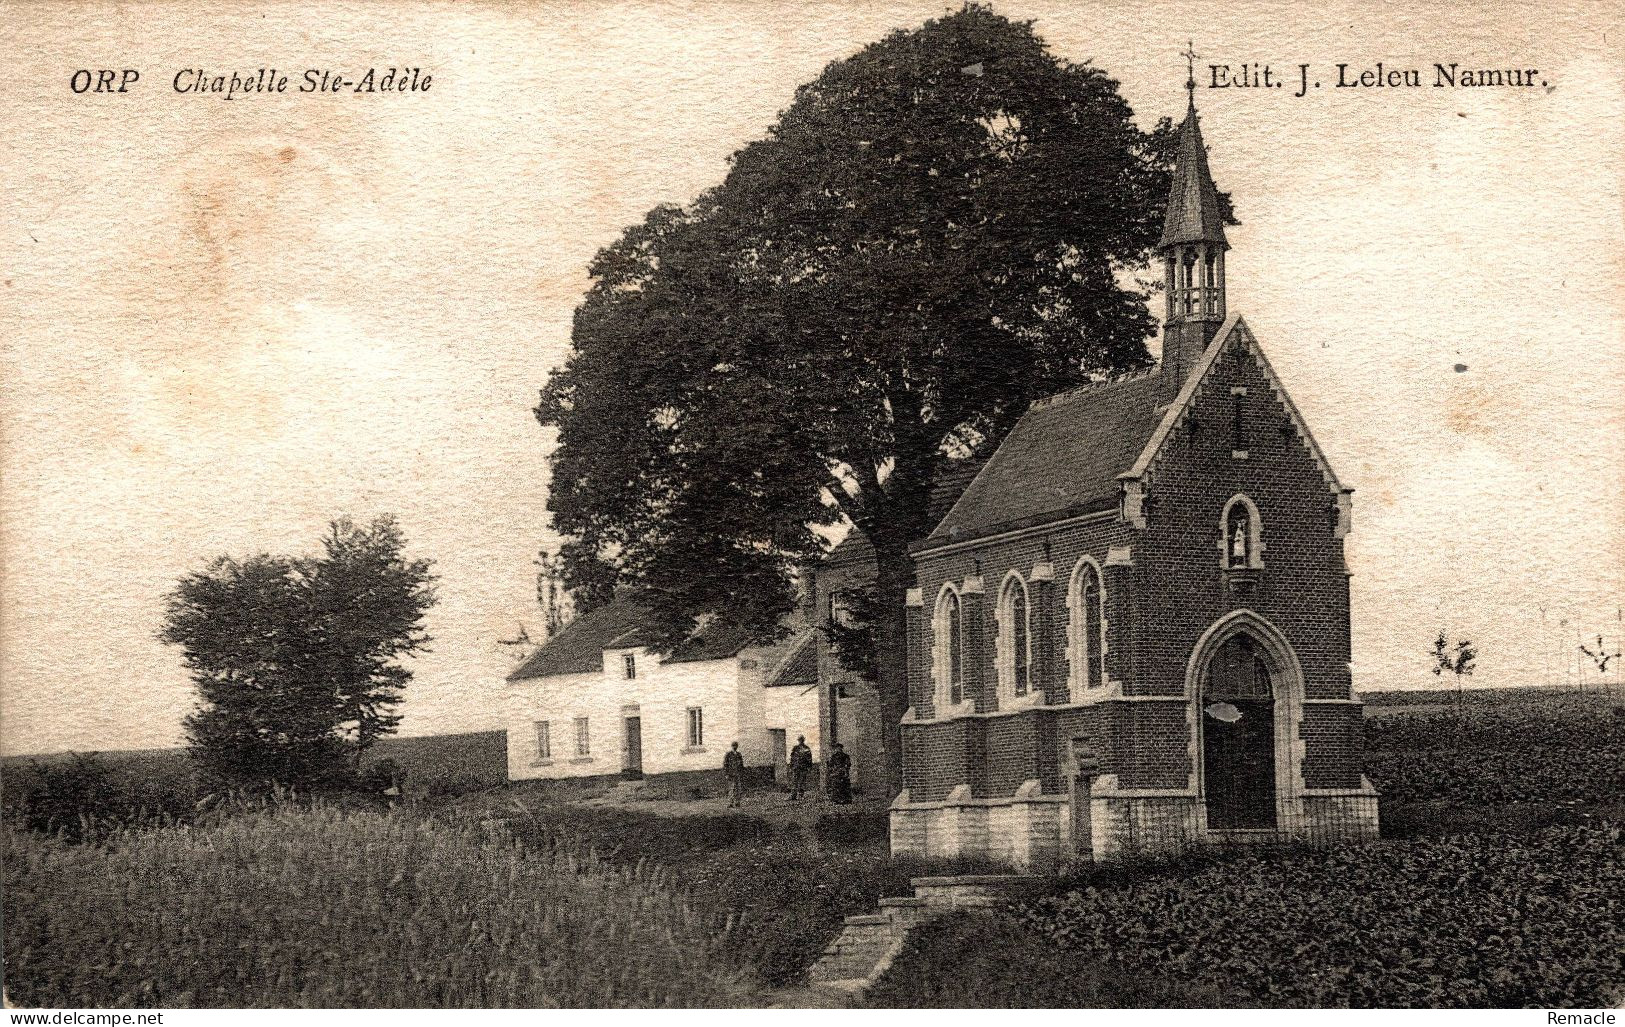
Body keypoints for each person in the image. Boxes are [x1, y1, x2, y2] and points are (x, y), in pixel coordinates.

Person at [787, 735, 814, 801]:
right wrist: (791, 766)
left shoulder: (806, 748)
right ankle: (793, 796)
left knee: (802, 782)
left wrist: (809, 767)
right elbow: (792, 758)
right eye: (799, 740)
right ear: (798, 740)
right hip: (796, 767)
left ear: (803, 740)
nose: (800, 741)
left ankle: (800, 796)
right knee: (794, 781)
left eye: (801, 740)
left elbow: (809, 758)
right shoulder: (795, 748)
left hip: (803, 768)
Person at [723, 741, 746, 807]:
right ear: (732, 746)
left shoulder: (739, 754)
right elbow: (725, 765)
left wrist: (741, 773)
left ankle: (737, 802)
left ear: (737, 747)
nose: (734, 747)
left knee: (738, 788)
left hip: (738, 774)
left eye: (736, 746)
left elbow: (741, 764)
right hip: (731, 774)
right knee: (732, 788)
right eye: (733, 746)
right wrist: (726, 774)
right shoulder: (728, 755)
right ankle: (730, 803)